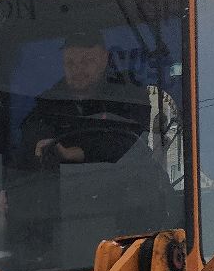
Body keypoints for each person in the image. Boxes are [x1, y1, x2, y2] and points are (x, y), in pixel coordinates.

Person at [17, 29, 152, 169]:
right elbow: (30, 140)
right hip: (62, 186)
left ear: (104, 59)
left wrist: (75, 153)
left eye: (87, 61)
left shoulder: (127, 95)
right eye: (70, 63)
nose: (77, 70)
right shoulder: (49, 102)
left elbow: (131, 141)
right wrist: (46, 147)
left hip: (125, 183)